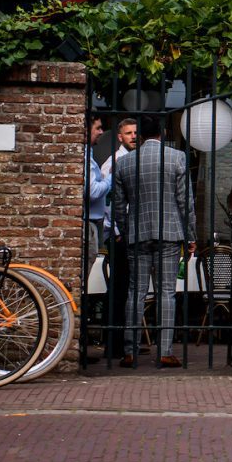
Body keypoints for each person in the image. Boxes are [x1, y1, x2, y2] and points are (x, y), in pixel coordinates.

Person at [111, 113, 195, 368]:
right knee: (166, 292)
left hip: (137, 234)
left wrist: (127, 231)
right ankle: (165, 351)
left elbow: (117, 206)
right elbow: (185, 202)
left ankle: (130, 350)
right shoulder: (176, 157)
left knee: (135, 292)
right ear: (162, 133)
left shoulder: (124, 163)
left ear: (141, 135)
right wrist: (190, 235)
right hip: (169, 233)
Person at [102, 117, 137, 360]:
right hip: (118, 234)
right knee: (119, 287)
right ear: (120, 137)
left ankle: (126, 341)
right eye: (129, 133)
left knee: (128, 288)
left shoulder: (135, 159)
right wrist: (115, 232)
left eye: (136, 132)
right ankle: (113, 343)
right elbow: (108, 201)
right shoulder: (113, 163)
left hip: (131, 232)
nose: (133, 136)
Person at [84, 115, 111, 266]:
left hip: (93, 223)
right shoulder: (85, 156)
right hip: (88, 224)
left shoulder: (89, 154)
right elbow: (93, 192)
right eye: (98, 128)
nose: (102, 132)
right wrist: (110, 178)